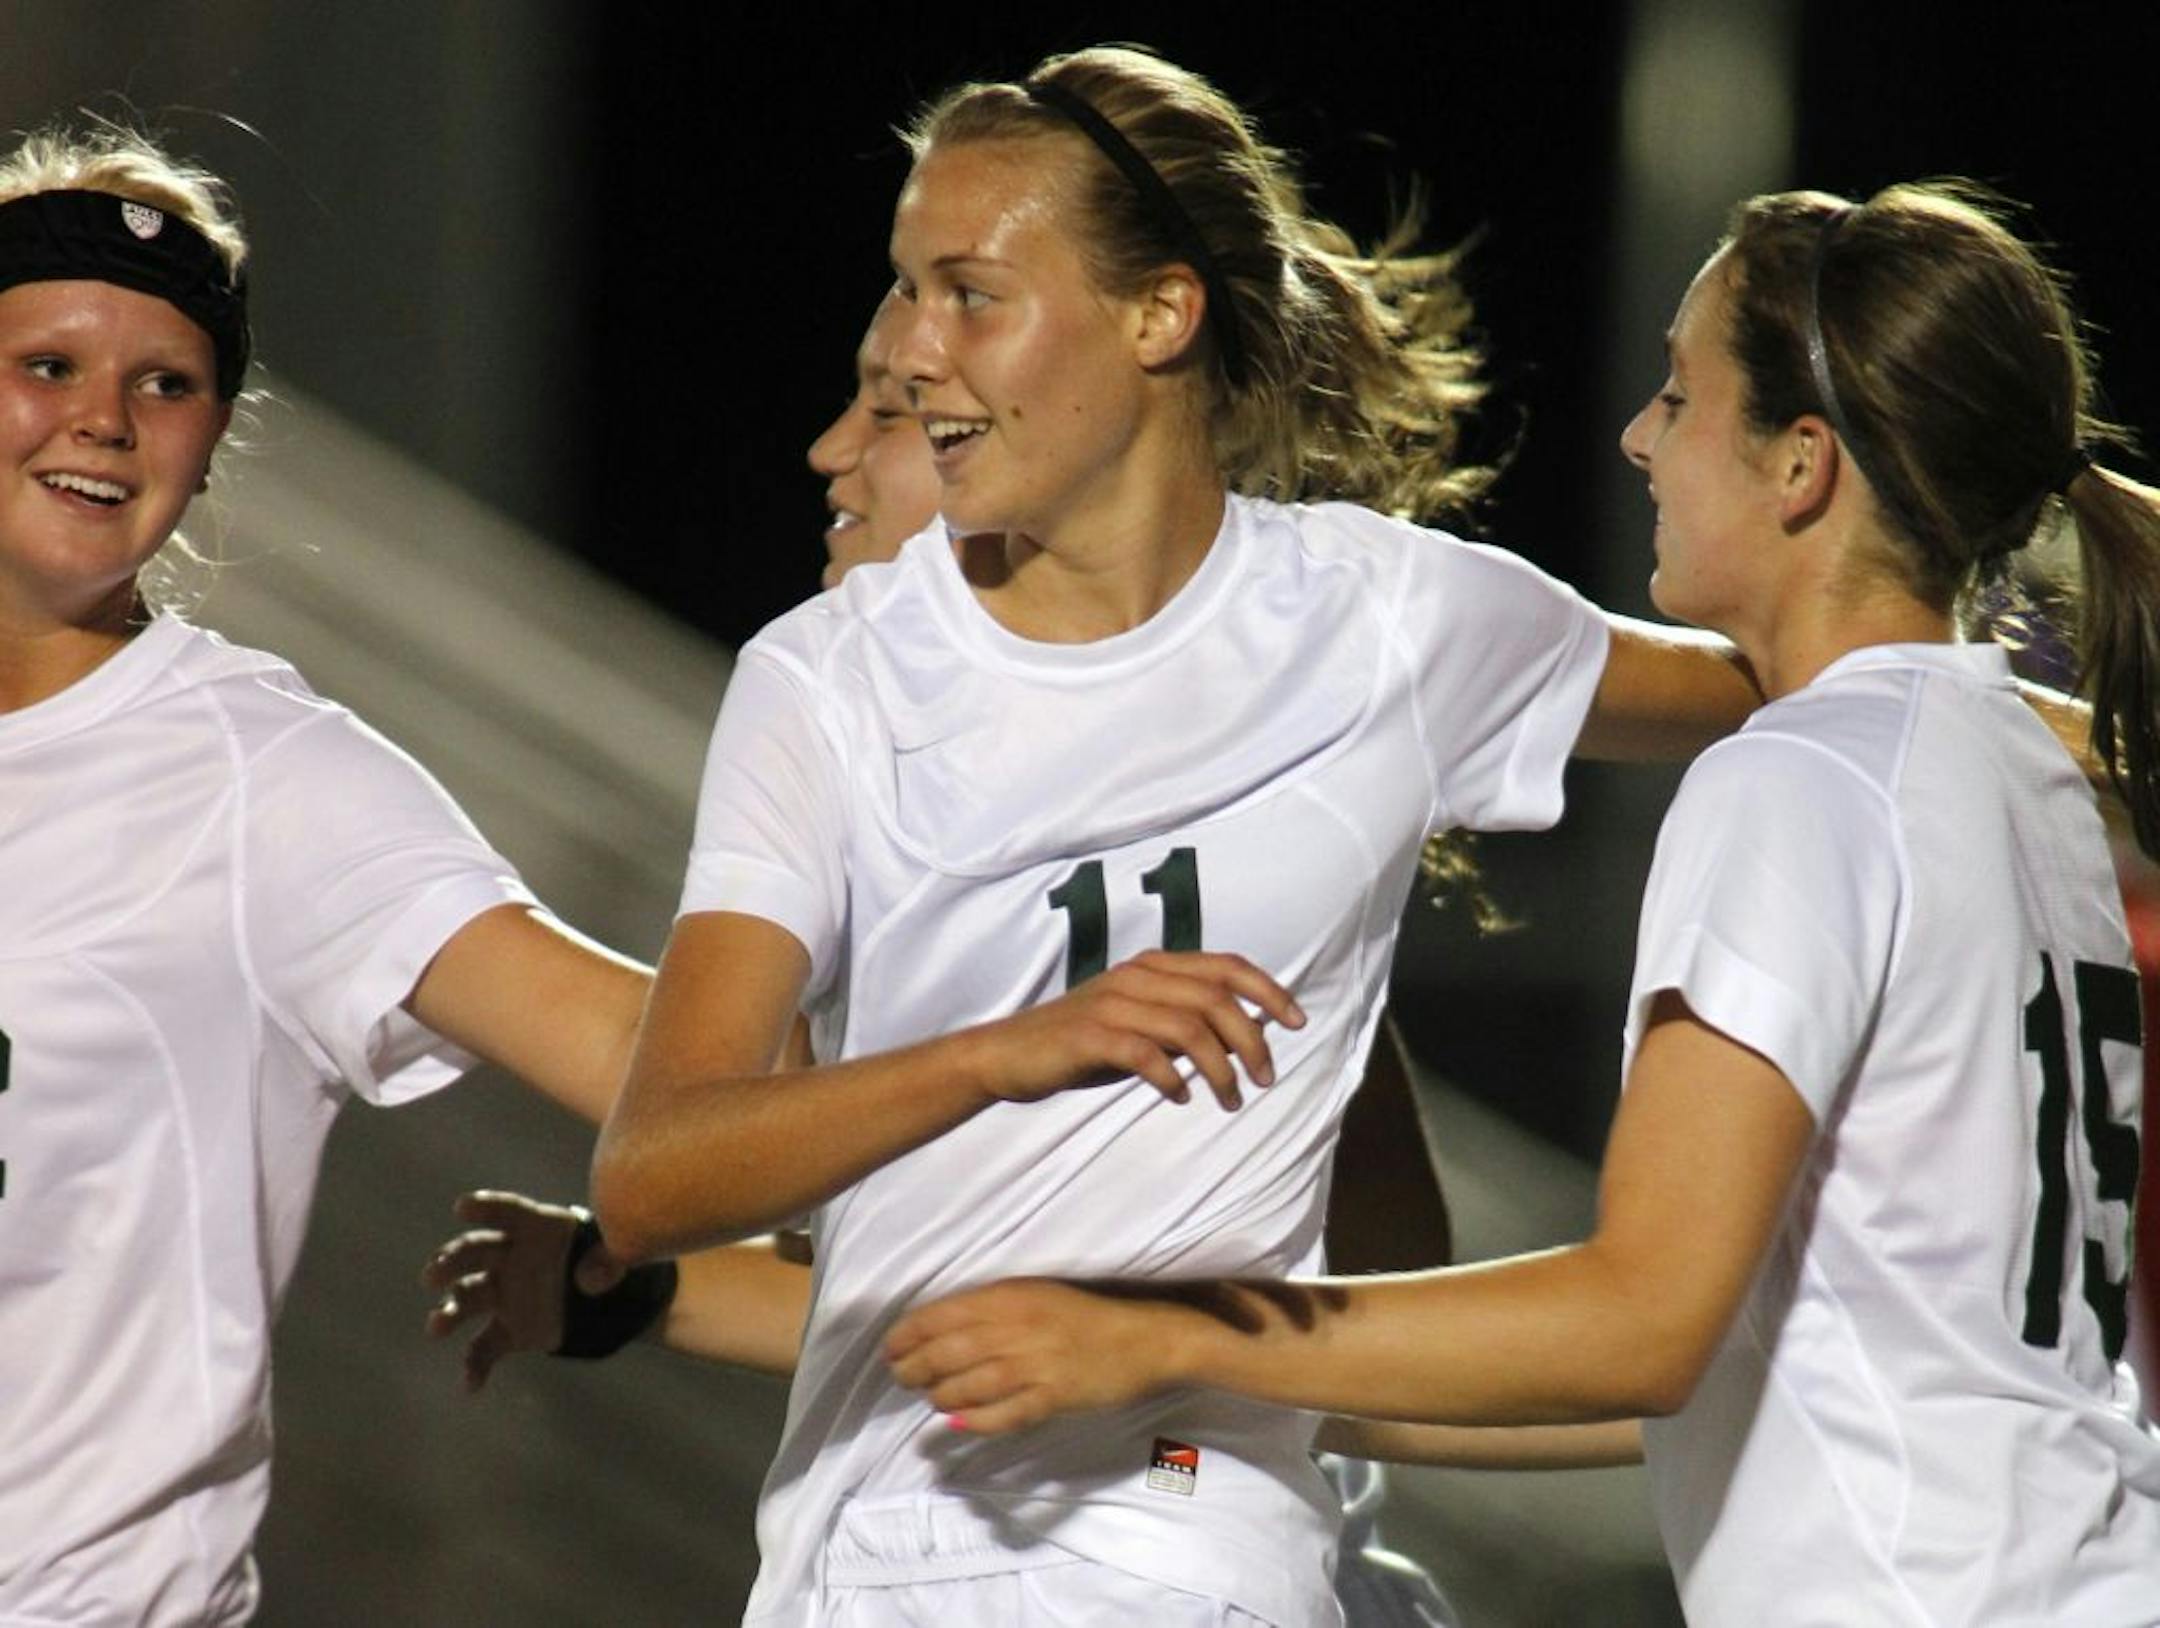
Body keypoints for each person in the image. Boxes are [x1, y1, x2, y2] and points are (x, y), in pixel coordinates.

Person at [587, 44, 1773, 1628]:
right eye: (907, 292)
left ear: (1160, 315)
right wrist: (1006, 1054)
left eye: (970, 296)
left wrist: (2045, 700)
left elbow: (1808, 678)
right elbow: (653, 1176)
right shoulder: (831, 679)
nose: (914, 350)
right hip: (878, 1549)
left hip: (1193, 1539)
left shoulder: (1386, 621)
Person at [885, 180, 2160, 1626]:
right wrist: (1207, 1376)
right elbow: (1734, 1368)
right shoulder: (2027, 779)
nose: (1639, 439)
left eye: (1680, 397)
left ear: (1802, 465)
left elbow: (1642, 1324)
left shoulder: (1806, 778)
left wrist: (1176, 1330)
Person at [433, 284, 1466, 1624]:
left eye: (896, 410)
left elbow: (1374, 1322)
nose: (832, 450)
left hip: (1179, 1543)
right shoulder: (890, 788)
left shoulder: (1217, 880)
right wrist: (637, 1296)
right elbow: (939, 1314)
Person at [0, 122, 671, 1625]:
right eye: (48, 364)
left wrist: (1014, 1059)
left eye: (165, 384)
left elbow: (657, 1053)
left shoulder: (263, 778)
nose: (103, 419)